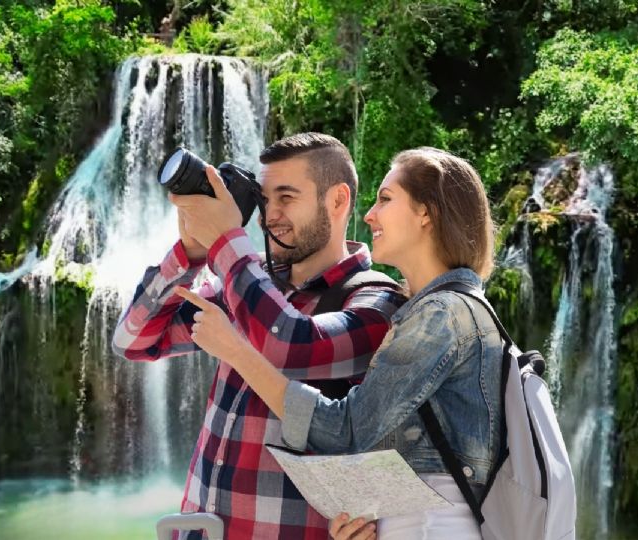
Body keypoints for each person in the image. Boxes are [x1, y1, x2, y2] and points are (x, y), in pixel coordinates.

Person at [176, 147, 502, 539]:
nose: (368, 214)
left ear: (426, 213)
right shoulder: (429, 311)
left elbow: (345, 429)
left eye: (385, 199)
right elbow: (392, 448)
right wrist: (361, 518)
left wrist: (236, 349)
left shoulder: (442, 315)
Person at [112, 133, 406, 539]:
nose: (270, 216)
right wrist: (189, 254)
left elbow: (287, 345)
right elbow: (134, 340)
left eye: (287, 197)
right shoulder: (247, 286)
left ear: (338, 201)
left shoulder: (376, 301)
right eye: (265, 200)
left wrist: (226, 242)